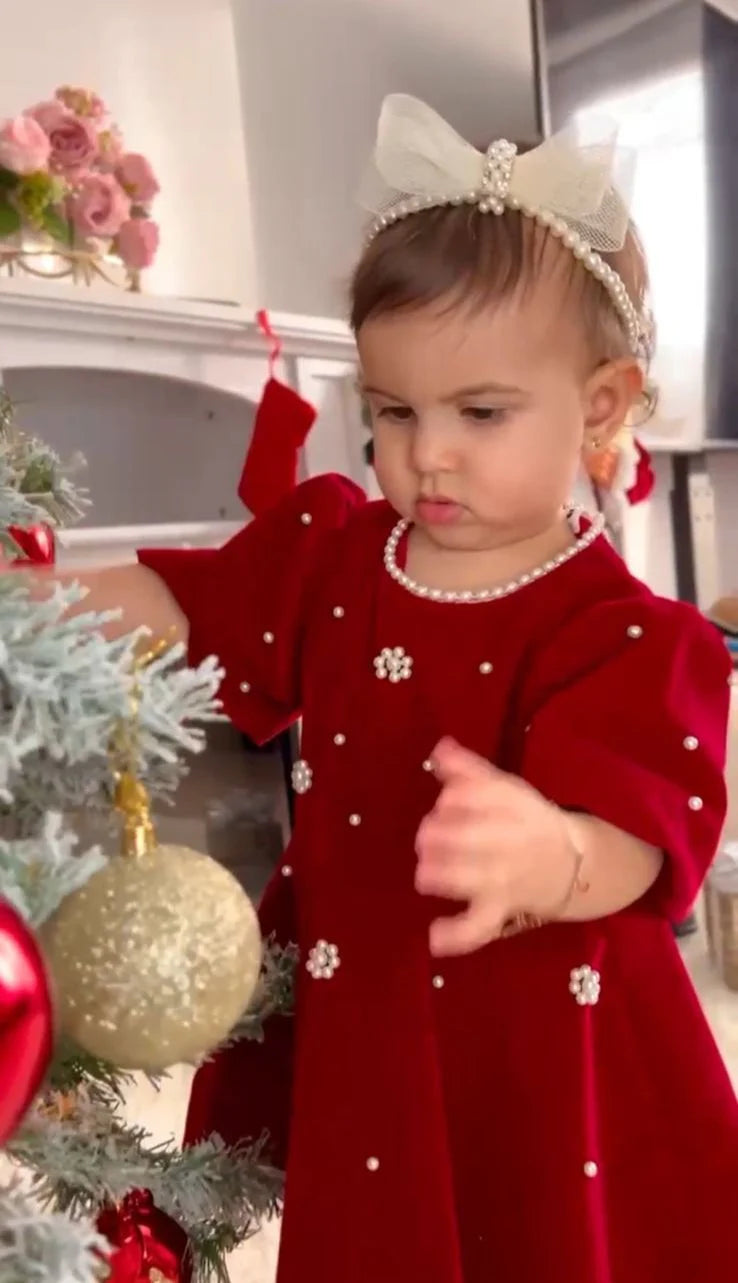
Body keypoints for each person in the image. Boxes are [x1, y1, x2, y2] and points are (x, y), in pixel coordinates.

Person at [26, 96, 738, 1282]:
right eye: (395, 411)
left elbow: (642, 836)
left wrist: (556, 849)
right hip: (372, 1019)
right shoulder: (338, 553)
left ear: (601, 406)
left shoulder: (626, 630)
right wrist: (33, 602)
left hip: (548, 1052)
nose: (429, 451)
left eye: (482, 412)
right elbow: (183, 596)